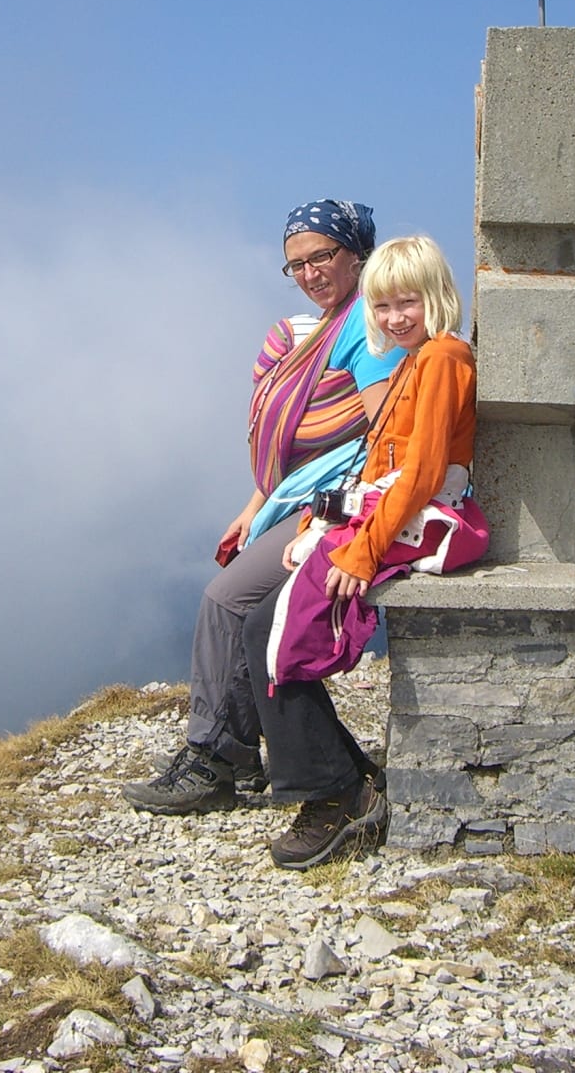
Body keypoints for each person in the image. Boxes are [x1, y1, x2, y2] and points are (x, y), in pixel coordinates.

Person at [121, 199, 404, 815]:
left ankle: (214, 759)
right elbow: (307, 444)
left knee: (227, 601)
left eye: (321, 256)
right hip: (303, 496)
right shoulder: (331, 327)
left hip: (338, 507)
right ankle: (234, 755)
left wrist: (348, 523)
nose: (309, 274)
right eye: (295, 265)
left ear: (357, 254)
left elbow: (385, 434)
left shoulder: (365, 329)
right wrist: (255, 505)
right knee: (243, 609)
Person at [244, 234, 481, 870]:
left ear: (437, 297)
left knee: (269, 631)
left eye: (409, 302)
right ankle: (345, 779)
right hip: (383, 517)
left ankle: (336, 795)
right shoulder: (416, 359)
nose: (395, 317)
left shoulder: (442, 357)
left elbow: (422, 471)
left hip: (407, 524)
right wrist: (320, 527)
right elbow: (383, 463)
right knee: (267, 629)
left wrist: (360, 553)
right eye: (382, 306)